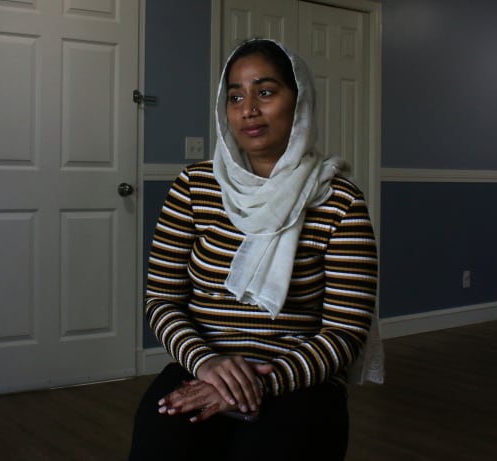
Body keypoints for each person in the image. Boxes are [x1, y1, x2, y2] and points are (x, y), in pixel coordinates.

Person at [128, 38, 383, 461]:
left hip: (299, 378)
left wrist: (261, 381)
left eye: (265, 92)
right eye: (235, 96)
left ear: (299, 100)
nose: (248, 109)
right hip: (201, 362)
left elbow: (344, 333)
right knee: (160, 439)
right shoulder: (193, 188)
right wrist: (208, 365)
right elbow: (162, 299)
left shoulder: (340, 201)